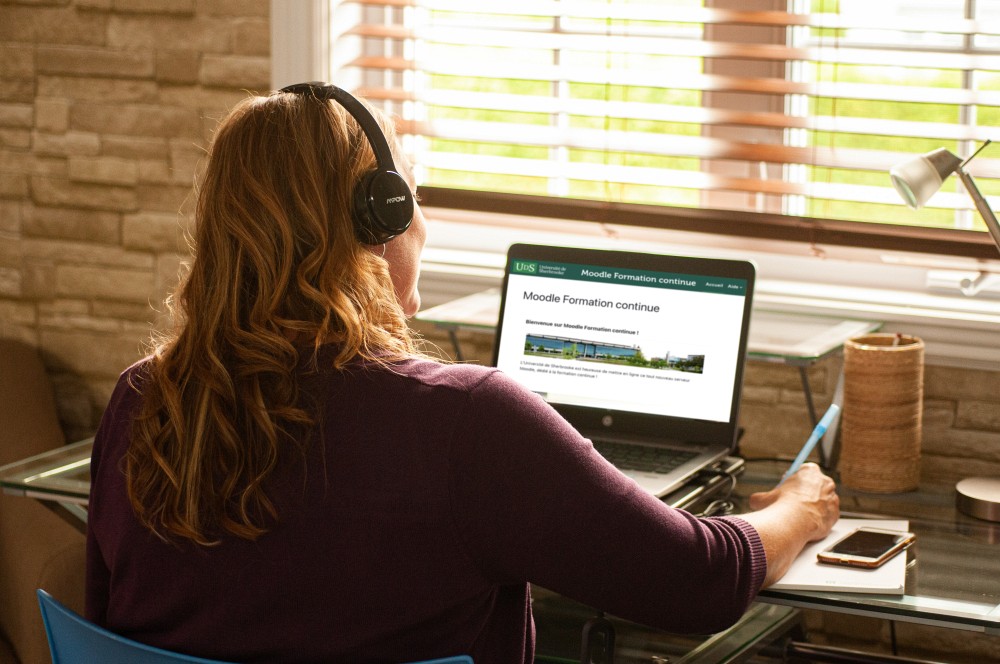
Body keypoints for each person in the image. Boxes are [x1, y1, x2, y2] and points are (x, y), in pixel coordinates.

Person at [85, 84, 839, 664]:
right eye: (410, 196)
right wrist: (800, 510)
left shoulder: (142, 400)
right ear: (376, 222)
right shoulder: (467, 424)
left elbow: (111, 615)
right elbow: (697, 581)